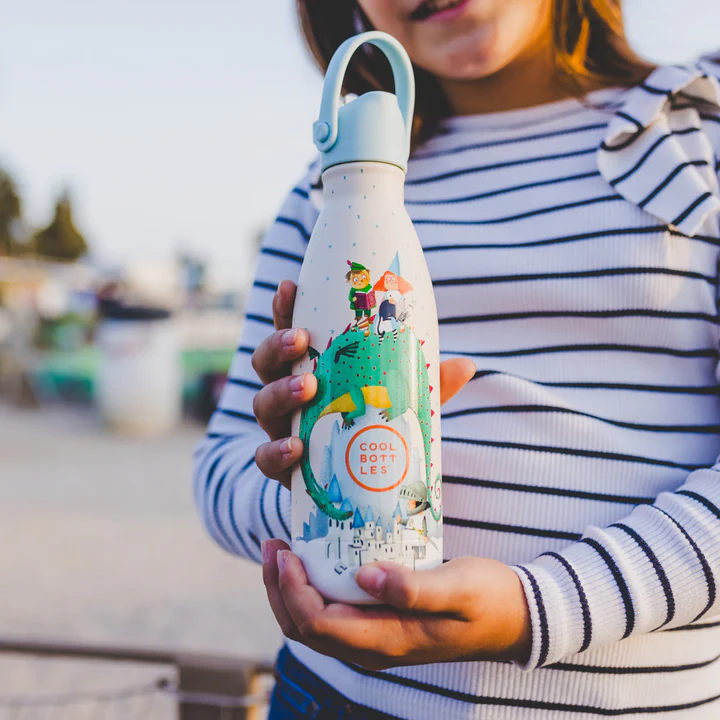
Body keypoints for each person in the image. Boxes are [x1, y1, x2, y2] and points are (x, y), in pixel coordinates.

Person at [193, 1, 720, 717]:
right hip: (332, 697)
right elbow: (219, 468)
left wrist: (539, 608)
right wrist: (315, 492)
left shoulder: (692, 134)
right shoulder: (324, 193)